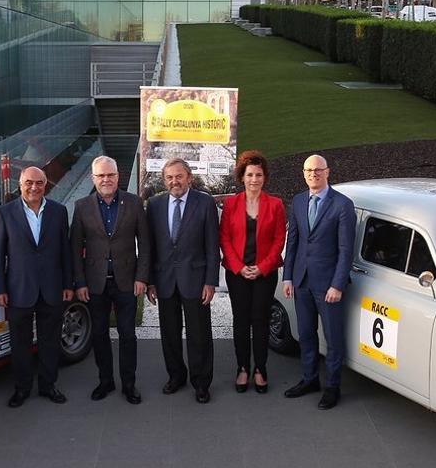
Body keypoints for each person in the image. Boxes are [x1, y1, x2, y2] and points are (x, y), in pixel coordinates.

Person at [70, 156, 151, 404]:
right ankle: (105, 381)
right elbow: (74, 248)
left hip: (127, 281)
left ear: (118, 176)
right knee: (100, 335)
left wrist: (142, 277)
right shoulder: (82, 206)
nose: (106, 179)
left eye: (110, 175)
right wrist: (80, 282)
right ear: (93, 179)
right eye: (101, 176)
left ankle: (129, 384)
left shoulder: (135, 203)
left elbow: (145, 245)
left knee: (128, 334)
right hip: (95, 284)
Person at [0, 166, 73, 408]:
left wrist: (68, 284)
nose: (34, 187)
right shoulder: (5, 212)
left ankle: (49, 386)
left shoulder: (58, 212)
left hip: (52, 288)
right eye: (29, 182)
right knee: (20, 344)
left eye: (39, 183)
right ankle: (22, 388)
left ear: (46, 185)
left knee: (50, 341)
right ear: (20, 184)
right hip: (19, 289)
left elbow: (65, 252)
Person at [282, 154, 356, 410]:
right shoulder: (299, 201)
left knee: (333, 338)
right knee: (305, 334)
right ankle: (310, 378)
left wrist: (337, 284)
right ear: (303, 173)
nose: (313, 174)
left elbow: (346, 250)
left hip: (328, 286)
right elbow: (293, 242)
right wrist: (288, 276)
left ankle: (332, 387)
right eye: (308, 170)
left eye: (318, 170)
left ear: (328, 172)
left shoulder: (342, 205)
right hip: (301, 281)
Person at [146, 158, 220, 404]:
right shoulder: (154, 205)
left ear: (189, 177)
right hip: (165, 280)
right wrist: (150, 281)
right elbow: (151, 247)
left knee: (200, 334)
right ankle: (176, 376)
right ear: (164, 179)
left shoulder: (205, 202)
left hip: (196, 280)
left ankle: (201, 382)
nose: (174, 181)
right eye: (169, 177)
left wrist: (211, 281)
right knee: (169, 333)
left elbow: (212, 245)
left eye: (179, 176)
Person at [219, 150, 286, 394]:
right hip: (237, 274)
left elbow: (280, 239)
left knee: (260, 321)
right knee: (241, 321)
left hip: (265, 274)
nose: (254, 179)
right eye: (250, 174)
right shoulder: (231, 204)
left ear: (264, 177)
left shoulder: (276, 204)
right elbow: (224, 238)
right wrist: (238, 267)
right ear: (242, 177)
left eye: (258, 174)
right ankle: (242, 368)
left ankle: (260, 369)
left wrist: (263, 267)